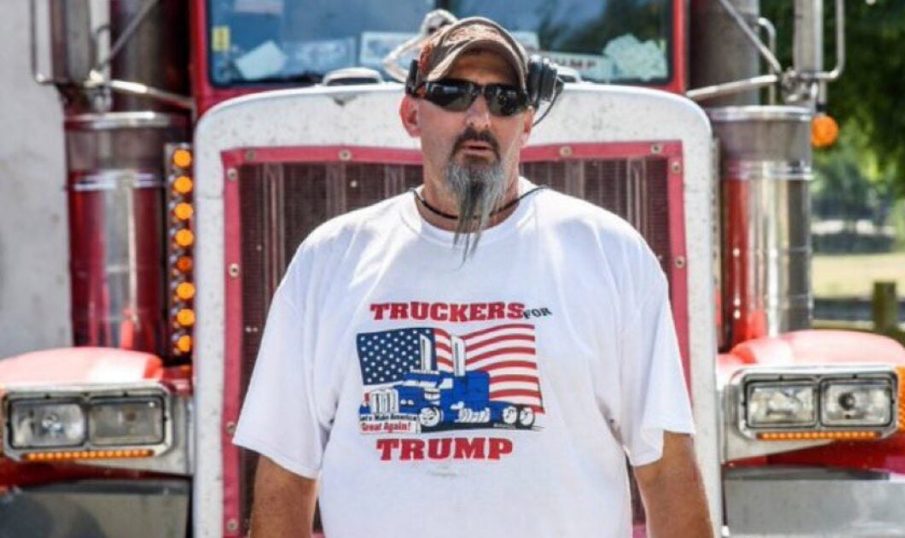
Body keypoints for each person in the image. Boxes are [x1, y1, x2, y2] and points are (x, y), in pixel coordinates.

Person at [233, 16, 713, 538]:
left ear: (526, 124)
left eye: (505, 99)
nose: (480, 118)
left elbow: (665, 466)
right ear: (411, 114)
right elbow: (286, 474)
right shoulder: (328, 260)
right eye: (454, 93)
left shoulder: (610, 253)